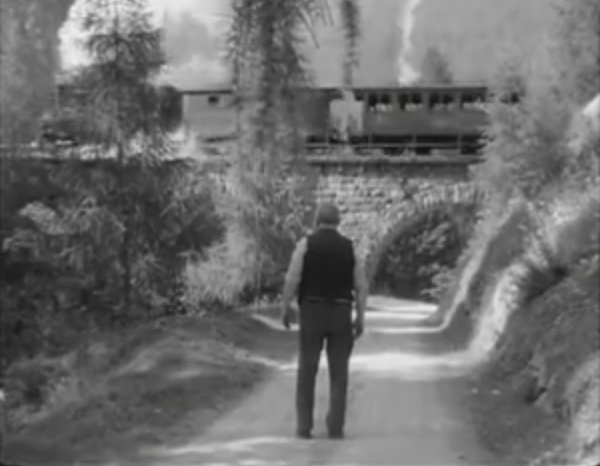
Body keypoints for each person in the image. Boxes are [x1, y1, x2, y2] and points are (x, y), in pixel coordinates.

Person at [280, 202, 368, 440]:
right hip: (341, 311)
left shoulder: (306, 244)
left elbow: (293, 278)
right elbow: (361, 286)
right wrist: (360, 317)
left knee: (307, 368)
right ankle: (335, 426)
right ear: (338, 222)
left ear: (317, 221)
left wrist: (285, 307)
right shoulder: (350, 248)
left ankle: (304, 426)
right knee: (339, 372)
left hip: (312, 310)